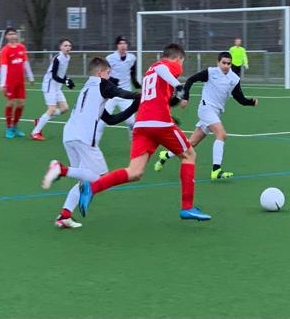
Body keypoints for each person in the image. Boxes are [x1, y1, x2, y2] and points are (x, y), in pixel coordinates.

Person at [75, 43, 212, 222]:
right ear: (178, 58)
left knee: (135, 171)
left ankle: (92, 188)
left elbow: (159, 96)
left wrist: (175, 98)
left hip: (142, 124)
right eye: (181, 62)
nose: (181, 66)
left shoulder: (149, 72)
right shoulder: (167, 65)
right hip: (160, 123)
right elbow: (163, 68)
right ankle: (187, 207)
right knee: (189, 155)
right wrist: (178, 85)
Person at [40, 57, 141, 228]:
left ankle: (64, 216)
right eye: (108, 73)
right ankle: (61, 169)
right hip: (84, 137)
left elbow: (111, 119)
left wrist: (134, 106)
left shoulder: (88, 88)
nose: (109, 77)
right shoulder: (102, 83)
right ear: (100, 72)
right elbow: (120, 92)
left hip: (69, 135)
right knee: (101, 179)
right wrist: (139, 96)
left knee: (84, 180)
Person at [155, 51, 257, 179]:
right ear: (218, 62)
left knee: (191, 143)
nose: (226, 66)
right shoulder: (211, 72)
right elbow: (191, 80)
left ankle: (165, 155)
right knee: (221, 134)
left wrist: (250, 102)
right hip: (206, 108)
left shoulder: (234, 78)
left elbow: (239, 97)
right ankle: (216, 170)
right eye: (223, 63)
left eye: (229, 64)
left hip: (216, 113)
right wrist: (185, 97)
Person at [30, 38, 75, 141]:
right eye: (65, 45)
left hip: (57, 87)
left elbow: (62, 73)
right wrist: (65, 82)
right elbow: (54, 76)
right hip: (49, 85)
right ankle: (35, 132)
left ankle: (40, 120)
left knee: (64, 108)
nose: (68, 47)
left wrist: (67, 80)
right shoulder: (58, 58)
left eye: (69, 46)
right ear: (60, 47)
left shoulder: (68, 57)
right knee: (52, 109)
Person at [100, 36, 141, 136]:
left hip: (126, 94)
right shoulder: (110, 58)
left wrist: (137, 84)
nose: (123, 45)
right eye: (120, 43)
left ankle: (134, 145)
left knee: (132, 123)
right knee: (100, 123)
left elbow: (133, 73)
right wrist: (112, 80)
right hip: (111, 94)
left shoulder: (132, 58)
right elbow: (103, 74)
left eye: (125, 43)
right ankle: (93, 143)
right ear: (117, 45)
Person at [0, 27, 34, 138]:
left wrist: (30, 76)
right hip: (10, 82)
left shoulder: (21, 47)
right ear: (6, 36)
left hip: (20, 81)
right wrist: (2, 84)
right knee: (11, 103)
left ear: (17, 35)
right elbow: (4, 67)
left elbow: (25, 62)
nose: (12, 36)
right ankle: (9, 127)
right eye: (10, 34)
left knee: (21, 103)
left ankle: (15, 126)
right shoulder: (5, 50)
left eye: (14, 33)